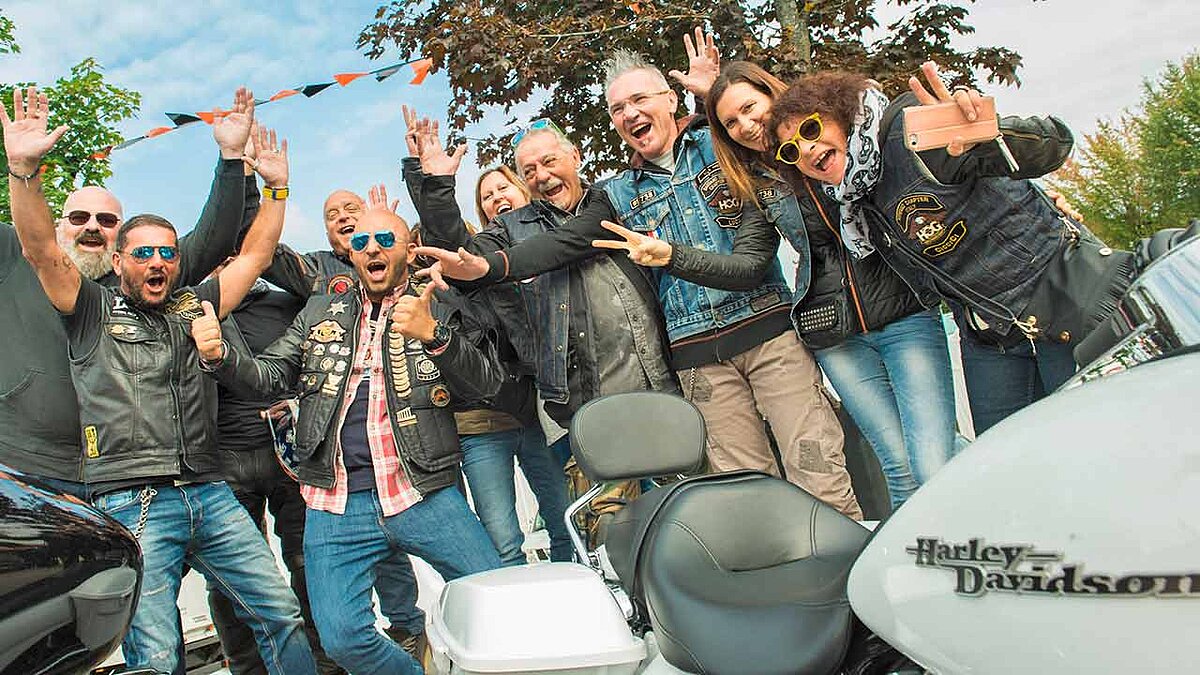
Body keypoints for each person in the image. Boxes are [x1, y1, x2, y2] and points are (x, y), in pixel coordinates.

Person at [415, 38, 862, 520]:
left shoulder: (726, 146)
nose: (629, 113)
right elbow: (563, 242)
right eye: (617, 109)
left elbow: (775, 134)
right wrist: (487, 263)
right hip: (695, 360)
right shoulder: (618, 194)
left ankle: (845, 565)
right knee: (746, 495)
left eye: (639, 99)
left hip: (766, 333)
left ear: (670, 99)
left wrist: (712, 94)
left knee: (817, 469)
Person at [4, 87, 316, 675]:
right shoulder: (90, 309)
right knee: (155, 651)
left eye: (167, 254)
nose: (157, 262)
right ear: (119, 260)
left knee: (281, 613)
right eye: (143, 252)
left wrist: (275, 189)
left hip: (209, 490)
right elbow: (41, 248)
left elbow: (255, 254)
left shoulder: (195, 306)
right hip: (132, 498)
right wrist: (24, 171)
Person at [603, 55, 959, 509]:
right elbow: (749, 262)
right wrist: (672, 256)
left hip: (894, 312)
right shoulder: (756, 181)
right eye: (731, 122)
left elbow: (899, 150)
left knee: (924, 461)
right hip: (829, 330)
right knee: (895, 464)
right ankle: (916, 550)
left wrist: (713, 92)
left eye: (749, 109)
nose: (745, 125)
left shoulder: (835, 137)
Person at [196, 206, 504, 675]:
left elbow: (486, 384)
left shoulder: (439, 303)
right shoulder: (321, 310)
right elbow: (271, 376)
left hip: (421, 489)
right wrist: (221, 356)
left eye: (385, 239)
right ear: (351, 255)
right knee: (342, 639)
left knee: (498, 601)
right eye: (361, 243)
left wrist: (435, 335)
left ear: (408, 251)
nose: (372, 248)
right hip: (336, 502)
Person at [768, 62, 1135, 430]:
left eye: (811, 129)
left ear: (843, 115)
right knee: (1003, 455)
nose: (807, 149)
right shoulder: (857, 200)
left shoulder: (912, 131)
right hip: (989, 333)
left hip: (1057, 299)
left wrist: (991, 137)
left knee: (1100, 436)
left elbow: (1054, 144)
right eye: (791, 151)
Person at [0, 86, 256, 502]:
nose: (92, 227)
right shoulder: (16, 252)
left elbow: (216, 238)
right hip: (20, 465)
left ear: (120, 241)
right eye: (79, 217)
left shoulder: (142, 276)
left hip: (115, 479)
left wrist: (231, 160)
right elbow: (36, 242)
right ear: (57, 225)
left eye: (106, 220)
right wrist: (22, 168)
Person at [410, 121, 680, 451]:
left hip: (667, 382)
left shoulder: (615, 199)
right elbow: (462, 260)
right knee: (614, 485)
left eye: (549, 161)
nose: (541, 175)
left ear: (575, 156)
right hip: (590, 409)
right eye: (529, 171)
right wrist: (437, 187)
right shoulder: (510, 229)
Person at [246, 185, 429, 654]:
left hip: (411, 443)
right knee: (360, 551)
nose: (344, 218)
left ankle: (417, 624)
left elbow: (438, 253)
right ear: (328, 232)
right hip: (343, 453)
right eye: (333, 215)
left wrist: (389, 228)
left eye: (353, 210)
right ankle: (388, 635)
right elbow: (267, 251)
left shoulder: (403, 263)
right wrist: (256, 183)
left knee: (420, 546)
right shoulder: (317, 275)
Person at [396, 111, 577, 563]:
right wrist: (428, 178)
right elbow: (451, 239)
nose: (497, 198)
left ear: (524, 189)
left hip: (540, 411)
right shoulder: (474, 265)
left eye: (503, 188)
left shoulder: (563, 233)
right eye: (487, 196)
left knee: (568, 520)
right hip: (481, 423)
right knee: (503, 539)